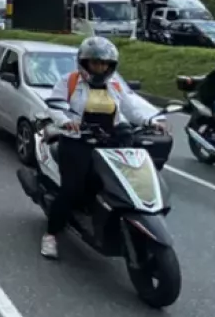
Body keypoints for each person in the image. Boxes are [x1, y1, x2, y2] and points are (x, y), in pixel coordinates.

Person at [40, 36, 167, 260]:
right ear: (84, 63)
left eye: (105, 63)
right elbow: (55, 106)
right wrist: (66, 122)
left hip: (111, 141)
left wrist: (151, 121)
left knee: (122, 181)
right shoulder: (69, 81)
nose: (100, 67)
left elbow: (132, 108)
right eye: (95, 62)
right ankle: (51, 235)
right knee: (72, 189)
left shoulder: (115, 85)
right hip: (77, 140)